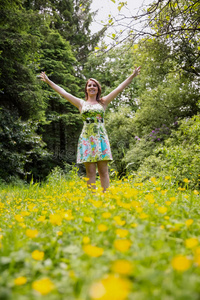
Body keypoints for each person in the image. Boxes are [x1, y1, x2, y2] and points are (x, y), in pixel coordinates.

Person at [39, 66, 141, 192]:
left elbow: (119, 88)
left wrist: (132, 75)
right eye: (89, 85)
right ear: (86, 89)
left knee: (104, 171)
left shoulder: (102, 103)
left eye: (94, 85)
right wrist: (48, 81)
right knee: (90, 172)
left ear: (98, 89)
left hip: (101, 138)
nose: (92, 87)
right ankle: (92, 199)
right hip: (87, 139)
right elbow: (63, 92)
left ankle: (106, 196)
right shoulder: (81, 103)